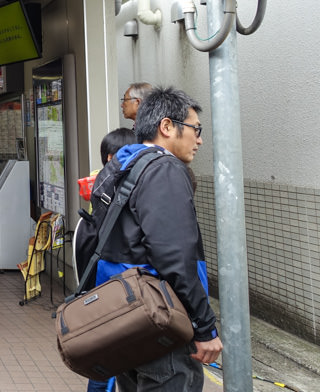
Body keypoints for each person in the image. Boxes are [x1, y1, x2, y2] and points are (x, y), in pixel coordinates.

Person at [81, 87, 222, 392]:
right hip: (160, 319)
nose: (199, 139)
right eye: (195, 129)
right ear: (167, 126)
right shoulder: (164, 169)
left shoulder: (119, 166)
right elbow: (174, 257)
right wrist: (204, 326)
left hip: (123, 313)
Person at [79, 126, 135, 392]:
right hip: (122, 278)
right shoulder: (120, 186)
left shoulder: (101, 181)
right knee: (114, 348)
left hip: (103, 276)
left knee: (106, 346)